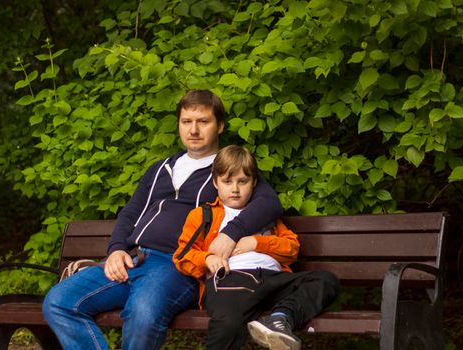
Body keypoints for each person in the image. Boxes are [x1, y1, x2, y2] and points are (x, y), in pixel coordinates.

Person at [42, 90, 283, 350]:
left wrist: (230, 233)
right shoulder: (159, 168)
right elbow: (131, 212)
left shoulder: (227, 170)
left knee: (142, 314)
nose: (193, 130)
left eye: (203, 122)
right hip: (133, 259)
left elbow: (269, 203)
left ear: (220, 126)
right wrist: (116, 249)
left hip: (175, 266)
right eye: (186, 121)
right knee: (60, 301)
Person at [173, 145, 340, 350]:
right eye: (227, 181)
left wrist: (256, 243)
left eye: (242, 181)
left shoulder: (264, 215)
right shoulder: (203, 215)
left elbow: (292, 248)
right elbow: (182, 255)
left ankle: (280, 319)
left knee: (325, 280)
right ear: (215, 182)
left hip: (273, 280)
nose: (235, 189)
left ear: (254, 182)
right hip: (232, 279)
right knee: (228, 324)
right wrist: (207, 259)